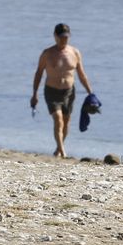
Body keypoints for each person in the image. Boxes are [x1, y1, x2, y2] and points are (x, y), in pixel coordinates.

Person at [31, 23, 93, 158]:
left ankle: (58, 148)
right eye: (61, 37)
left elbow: (81, 74)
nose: (64, 40)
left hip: (69, 92)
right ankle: (63, 151)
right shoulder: (47, 53)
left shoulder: (74, 52)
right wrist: (34, 94)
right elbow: (39, 73)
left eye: (66, 37)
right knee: (58, 119)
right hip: (51, 91)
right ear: (55, 36)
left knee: (66, 121)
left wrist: (90, 92)